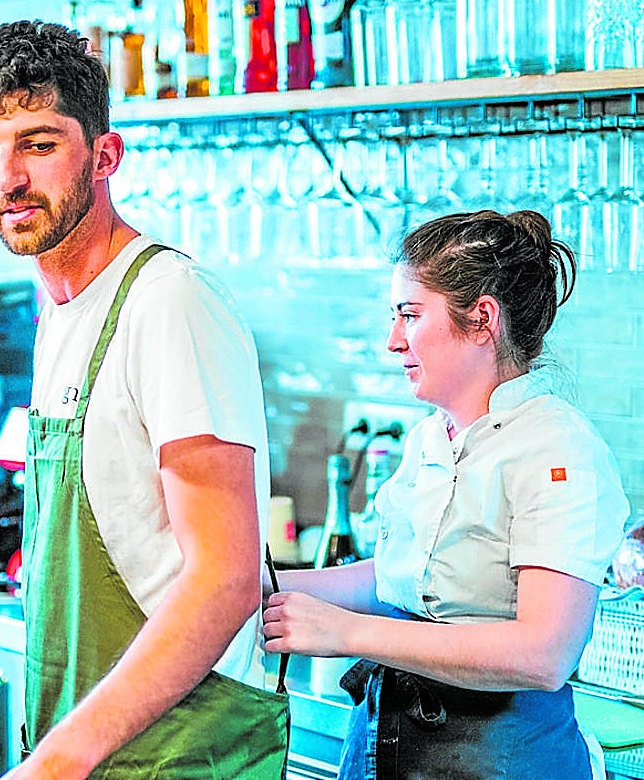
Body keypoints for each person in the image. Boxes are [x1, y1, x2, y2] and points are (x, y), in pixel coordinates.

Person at [0, 19, 289, 779]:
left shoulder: (169, 301)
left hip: (182, 754)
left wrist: (59, 759)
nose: (8, 178)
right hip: (99, 747)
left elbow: (224, 578)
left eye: (38, 144)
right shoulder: (62, 311)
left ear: (104, 156)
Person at [263, 209, 630, 780]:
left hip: (502, 759)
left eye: (409, 315)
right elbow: (395, 580)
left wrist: (347, 632)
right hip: (384, 743)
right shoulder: (431, 437)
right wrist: (261, 585)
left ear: (483, 318)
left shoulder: (558, 449)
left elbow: (543, 653)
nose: (393, 340)